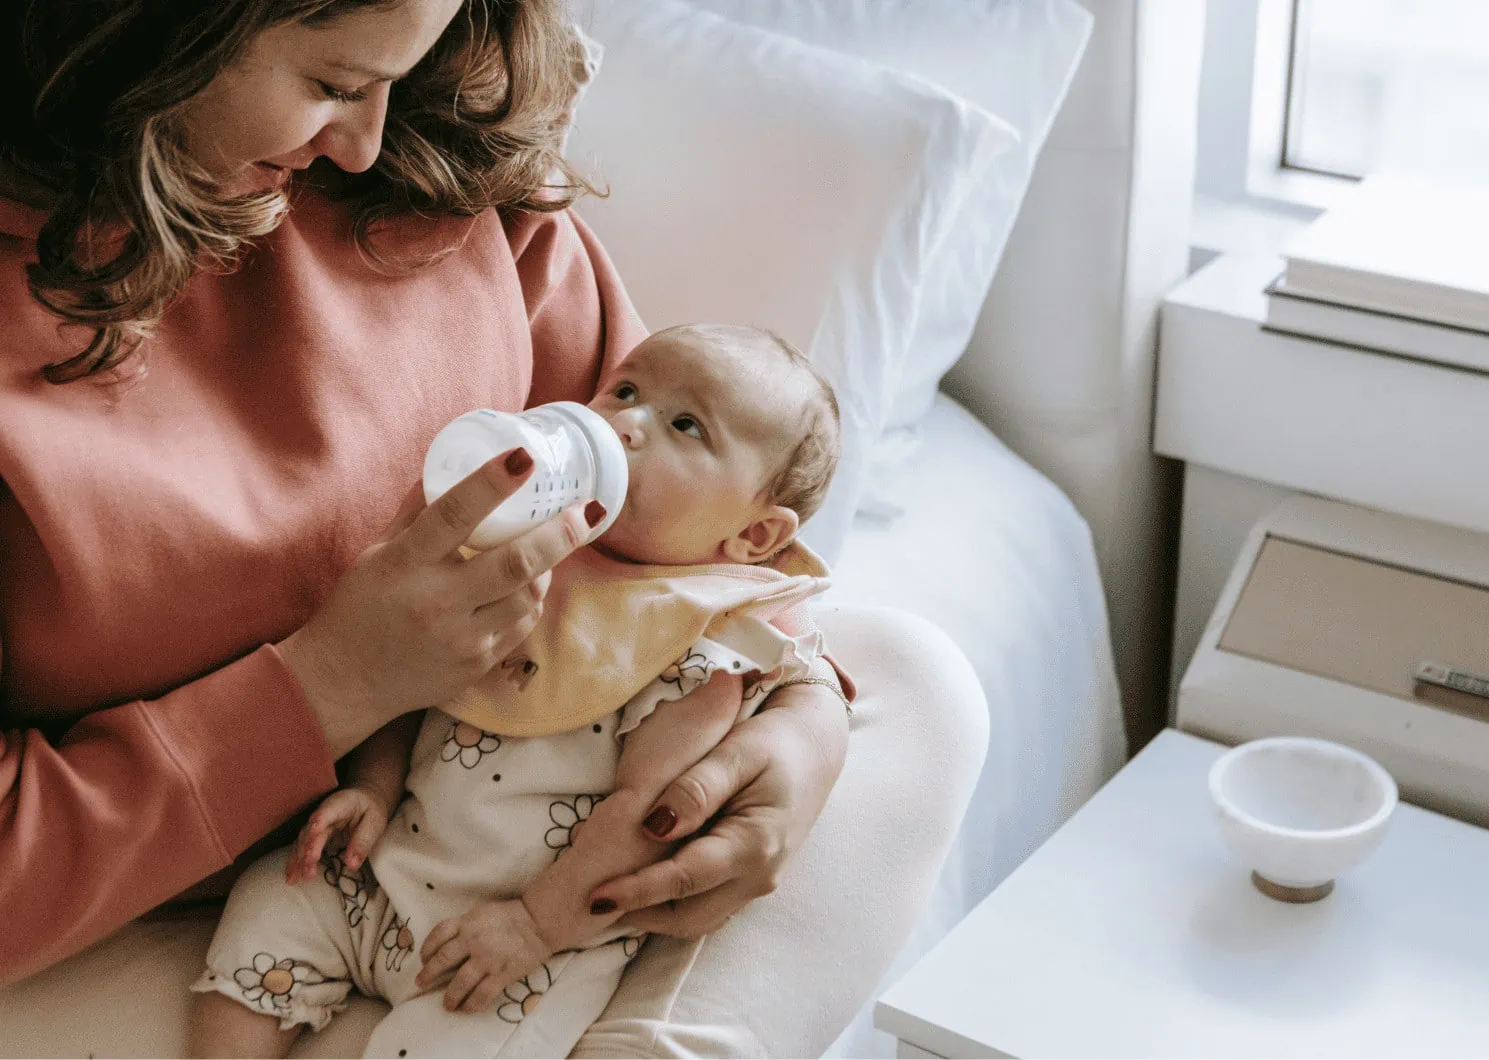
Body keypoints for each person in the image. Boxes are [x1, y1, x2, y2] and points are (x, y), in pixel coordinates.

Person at [0, 0, 988, 1055]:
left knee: (908, 680)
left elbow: (685, 540)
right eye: (333, 83)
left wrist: (795, 743)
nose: (368, 140)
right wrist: (333, 685)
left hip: (487, 871)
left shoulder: (430, 166)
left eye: (402, 70)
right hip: (130, 917)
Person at [190, 324, 845, 1058]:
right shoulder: (514, 549)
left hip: (515, 945)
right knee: (271, 904)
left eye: (685, 425)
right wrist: (373, 788)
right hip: (380, 873)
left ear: (754, 538)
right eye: (624, 391)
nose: (623, 423)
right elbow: (408, 678)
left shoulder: (696, 645)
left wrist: (537, 925)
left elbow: (644, 814)